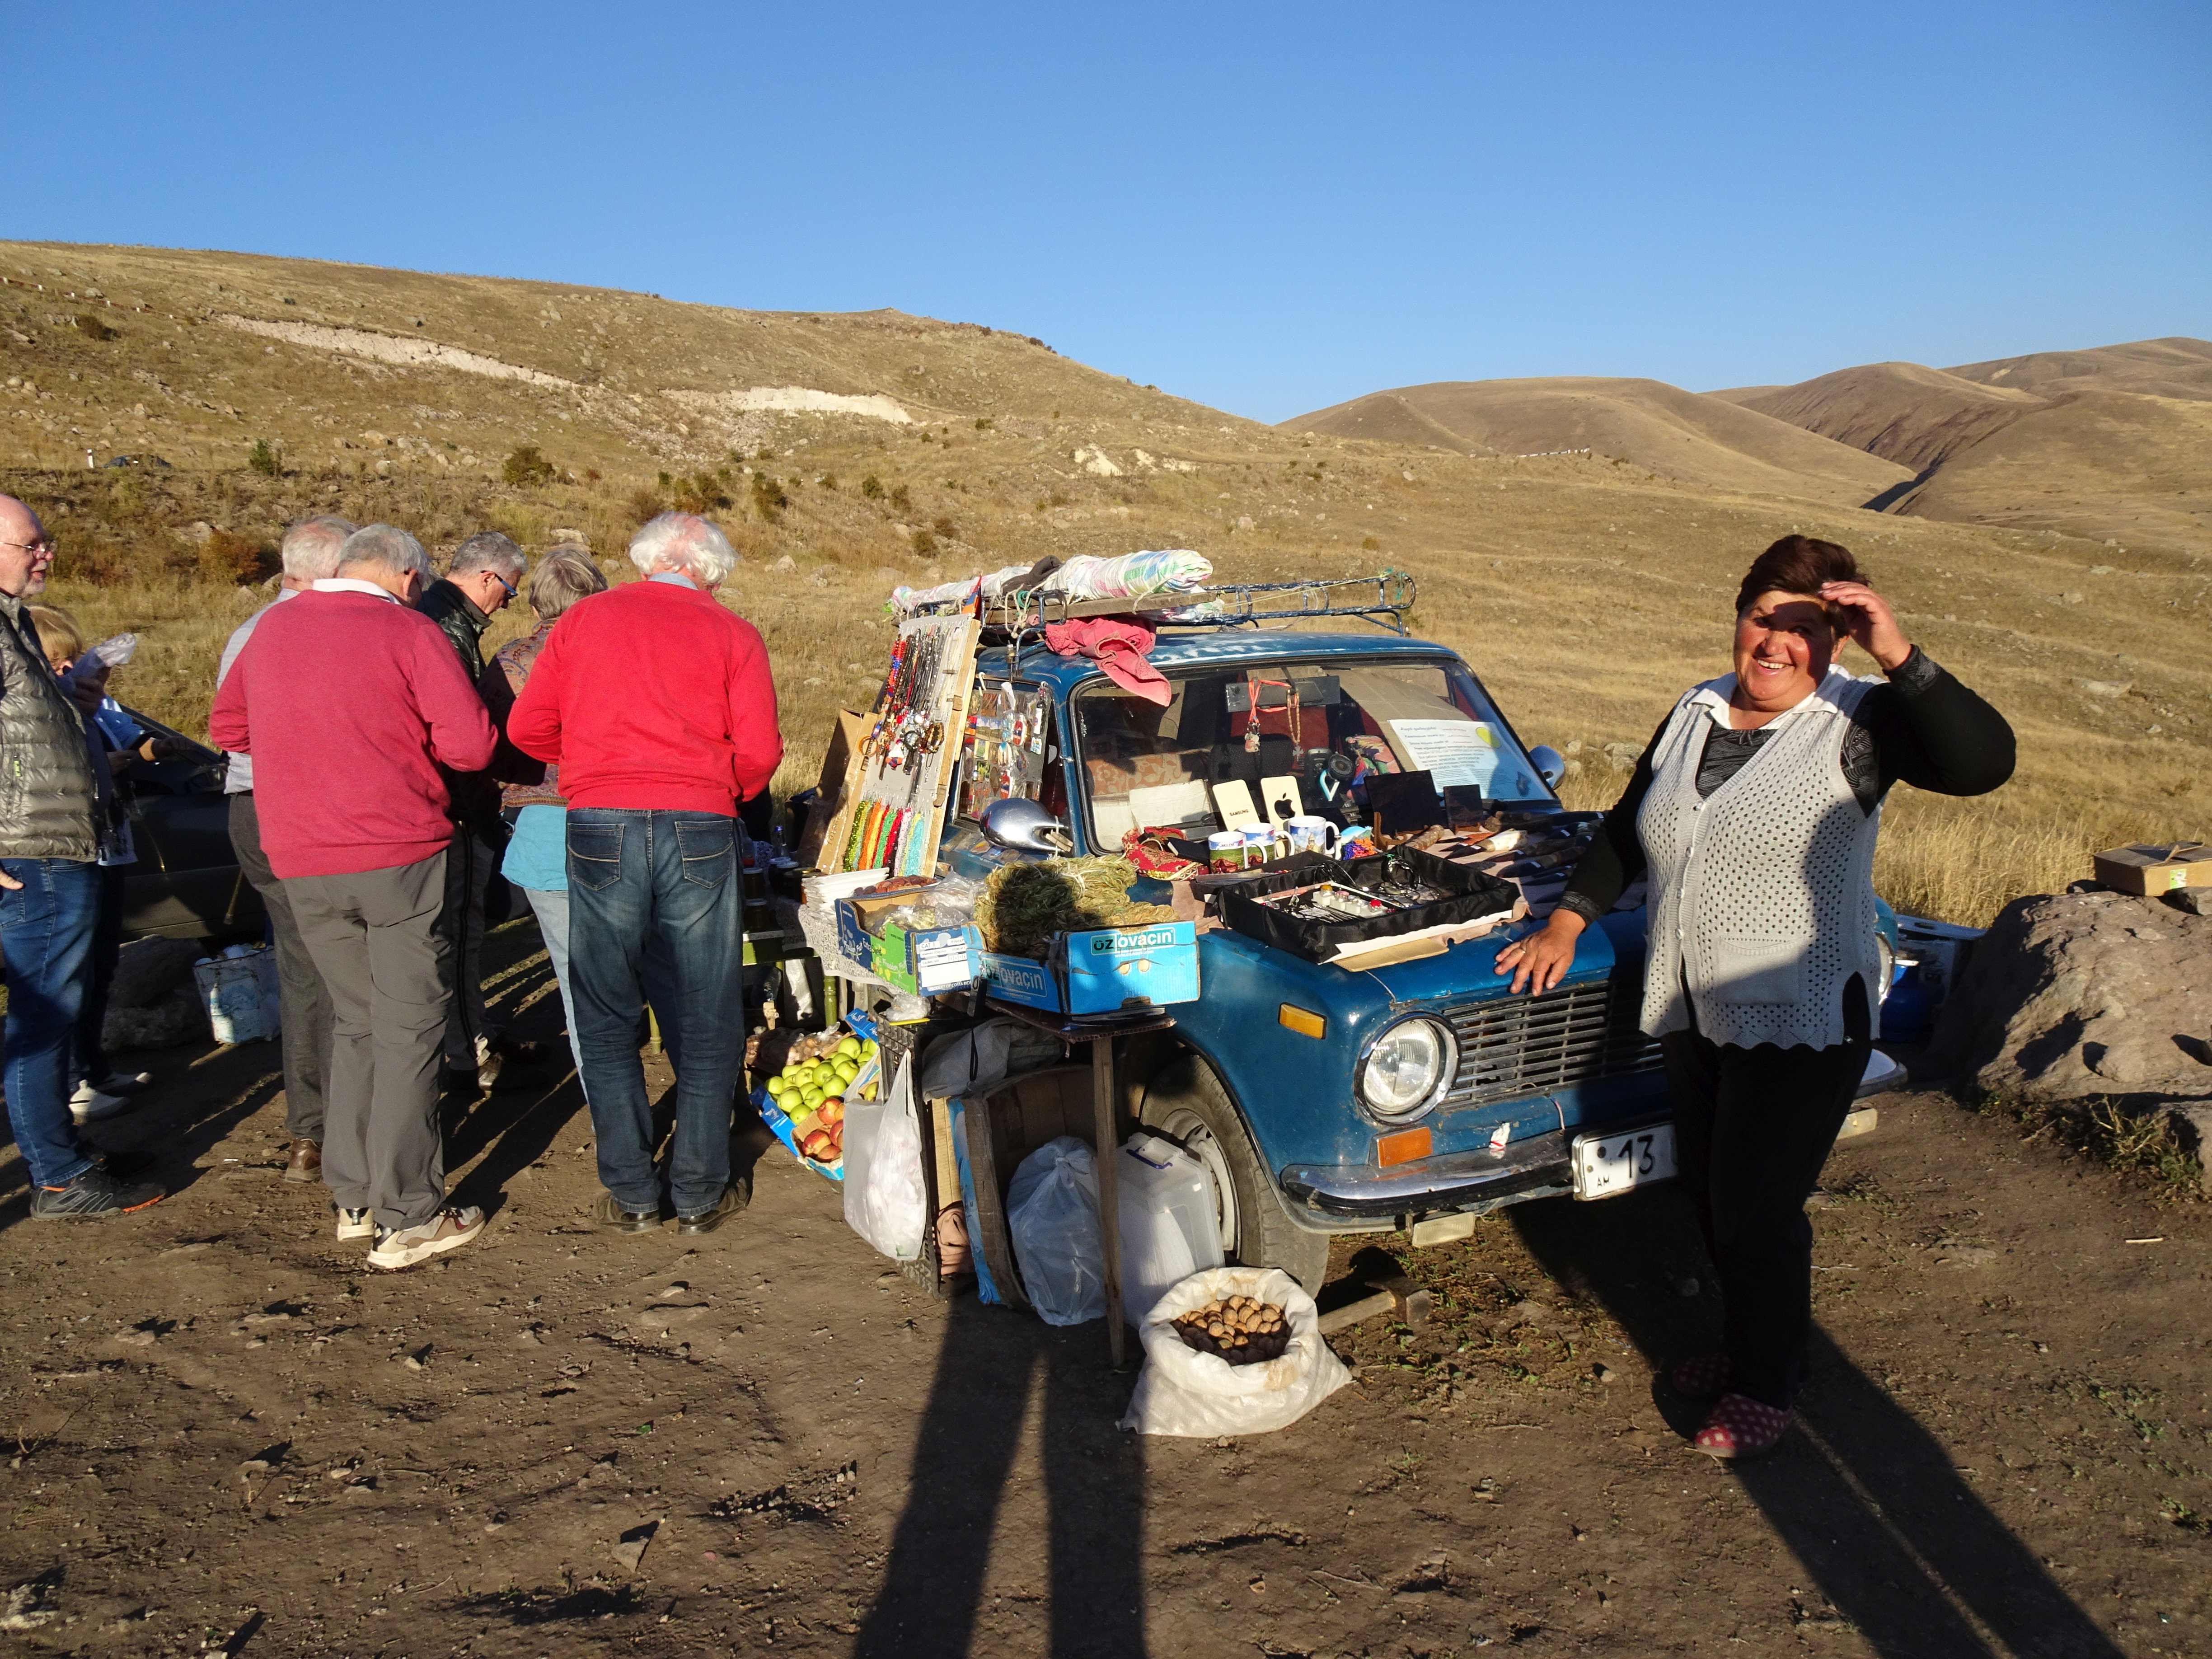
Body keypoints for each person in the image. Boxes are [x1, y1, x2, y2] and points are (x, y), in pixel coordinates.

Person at [1500, 534, 2014, 1459]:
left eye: (1809, 628)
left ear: (1842, 640)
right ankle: (1749, 1347)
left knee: (1756, 1211)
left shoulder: (1862, 721)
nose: (1777, 643)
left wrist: (1900, 652)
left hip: (1809, 1013)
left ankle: (1771, 1381)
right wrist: (1571, 919)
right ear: (1738, 617)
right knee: (1706, 1191)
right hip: (1695, 1004)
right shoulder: (1694, 709)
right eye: (1763, 617)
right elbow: (1628, 825)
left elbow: (1983, 764)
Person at [210, 524, 496, 1270]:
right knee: (408, 1022)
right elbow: (470, 746)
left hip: (301, 853)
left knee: (356, 1019)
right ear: (409, 576)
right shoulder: (409, 631)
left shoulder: (270, 629)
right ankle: (410, 1211)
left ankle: (355, 1195)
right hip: (396, 850)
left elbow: (228, 728)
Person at [509, 512, 782, 1235]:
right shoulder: (733, 633)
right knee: (704, 1006)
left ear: (646, 560)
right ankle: (698, 1191)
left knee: (602, 1006)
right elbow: (758, 757)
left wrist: (597, 755)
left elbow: (527, 731)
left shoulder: (583, 623)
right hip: (699, 823)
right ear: (711, 571)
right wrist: (709, 779)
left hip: (600, 821)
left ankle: (631, 1191)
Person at [0, 494, 164, 1218]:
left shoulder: (14, 630)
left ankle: (61, 1154)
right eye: (29, 544)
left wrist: (75, 698)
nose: (46, 555)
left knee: (57, 1014)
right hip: (31, 851)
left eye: (45, 541)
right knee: (41, 1020)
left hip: (59, 842)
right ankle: (59, 1177)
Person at [215, 515, 354, 1182]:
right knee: (327, 967)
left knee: (304, 966)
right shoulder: (298, 632)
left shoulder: (255, 631)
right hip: (291, 805)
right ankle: (331, 1126)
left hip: (256, 805)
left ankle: (312, 1131)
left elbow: (227, 728)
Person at [27, 604, 164, 1121]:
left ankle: (93, 1067)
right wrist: (115, 761)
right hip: (65, 847)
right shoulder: (33, 712)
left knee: (100, 964)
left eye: (72, 660)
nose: (68, 671)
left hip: (107, 843)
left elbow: (122, 742)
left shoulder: (91, 704)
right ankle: (68, 1086)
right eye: (57, 661)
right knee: (65, 976)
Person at [479, 547, 607, 1084]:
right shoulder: (623, 651)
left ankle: (608, 1112)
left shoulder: (512, 661)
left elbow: (488, 751)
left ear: (535, 605)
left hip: (544, 829)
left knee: (577, 976)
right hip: (626, 818)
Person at [418, 530, 534, 1091]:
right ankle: (466, 1054)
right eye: (509, 589)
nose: (509, 601)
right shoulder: (443, 628)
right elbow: (457, 734)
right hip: (454, 808)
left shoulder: (442, 619)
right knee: (459, 932)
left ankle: (471, 1031)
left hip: (449, 803)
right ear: (487, 577)